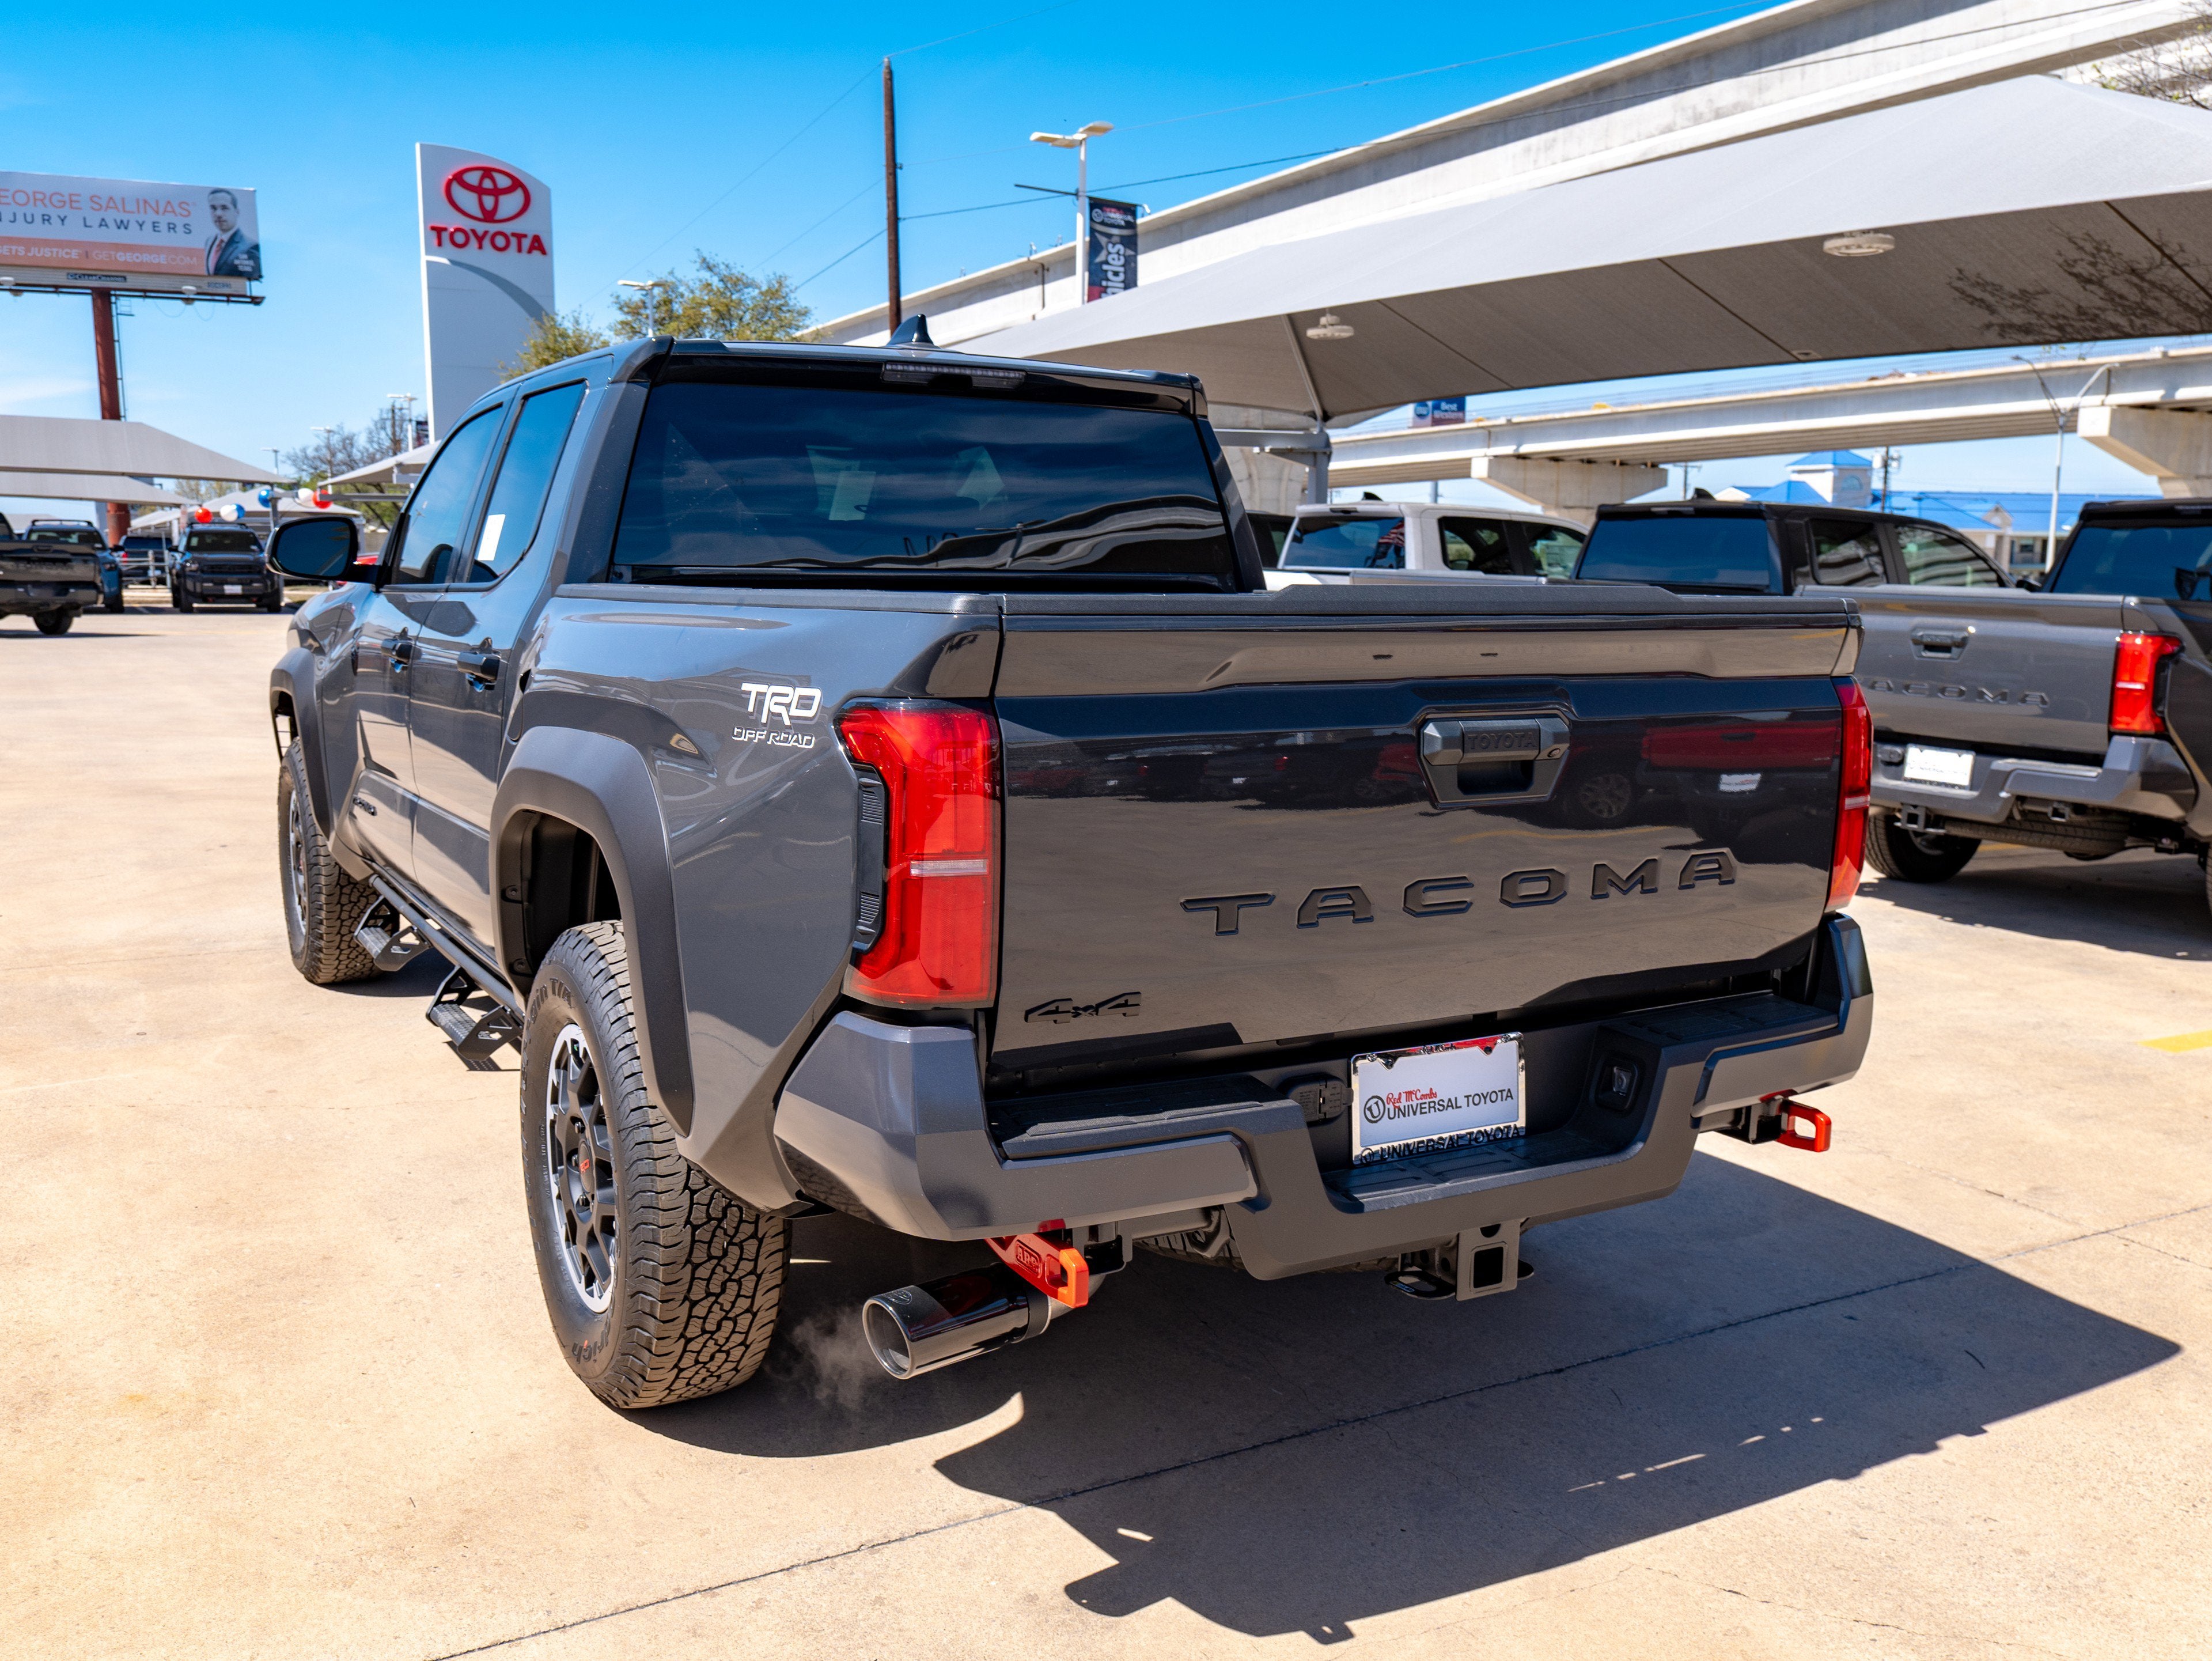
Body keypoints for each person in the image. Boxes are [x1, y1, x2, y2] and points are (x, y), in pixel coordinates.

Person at [204, 191, 261, 280]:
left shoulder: (250, 247)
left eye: (224, 208)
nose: (218, 214)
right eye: (213, 208)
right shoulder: (210, 241)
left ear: (237, 211)